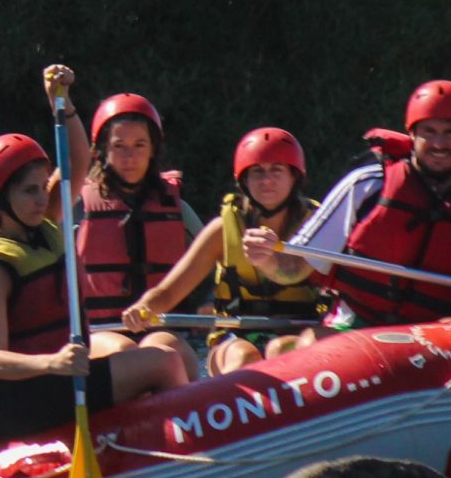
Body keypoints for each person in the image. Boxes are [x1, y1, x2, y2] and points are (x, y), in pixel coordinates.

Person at [0, 67, 188, 440]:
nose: (40, 198)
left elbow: (77, 161)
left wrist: (60, 104)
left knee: (164, 357)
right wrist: (53, 362)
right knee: (160, 364)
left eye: (40, 187)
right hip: (23, 397)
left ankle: (166, 446)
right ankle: (184, 447)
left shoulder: (43, 225)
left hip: (64, 376)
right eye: (29, 191)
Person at [288, 80, 451, 326]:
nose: (439, 144)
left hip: (431, 340)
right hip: (355, 327)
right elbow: (296, 265)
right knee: (293, 346)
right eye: (429, 131)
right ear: (412, 134)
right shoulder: (366, 184)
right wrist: (265, 258)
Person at [123, 127, 324, 373]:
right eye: (257, 172)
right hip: (234, 337)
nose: (266, 180)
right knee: (245, 356)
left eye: (277, 170)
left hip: (297, 330)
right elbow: (168, 292)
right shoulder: (221, 230)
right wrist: (142, 308)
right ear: (244, 181)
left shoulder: (318, 226)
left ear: (294, 177)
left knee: (283, 350)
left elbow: (315, 278)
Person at [73, 91, 203, 380]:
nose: (129, 157)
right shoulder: (77, 207)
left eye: (139, 145)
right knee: (127, 352)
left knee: (167, 349)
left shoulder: (176, 207)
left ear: (153, 149)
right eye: (119, 146)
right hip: (99, 331)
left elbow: (211, 257)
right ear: (102, 150)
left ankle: (185, 421)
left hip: (160, 327)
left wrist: (207, 299)